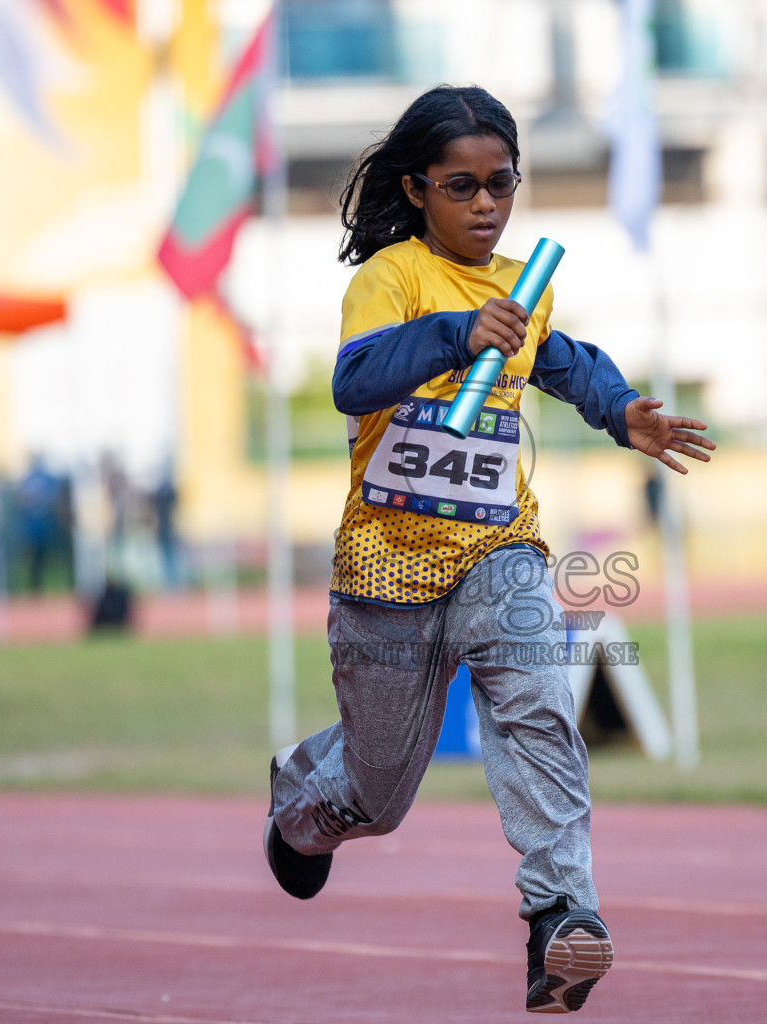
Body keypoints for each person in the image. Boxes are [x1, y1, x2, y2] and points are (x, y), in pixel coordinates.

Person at [261, 85, 715, 1015]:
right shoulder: (390, 279)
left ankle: (560, 916)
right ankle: (300, 801)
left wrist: (622, 411)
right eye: (461, 187)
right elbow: (356, 381)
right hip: (387, 566)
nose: (484, 205)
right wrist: (455, 334)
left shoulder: (523, 283)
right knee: (381, 793)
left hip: (498, 549)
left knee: (541, 705)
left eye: (501, 184)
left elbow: (565, 362)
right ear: (418, 189)